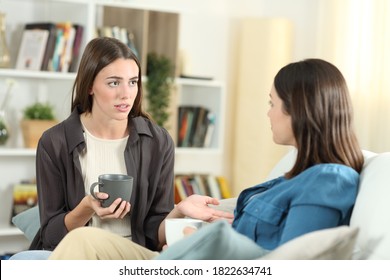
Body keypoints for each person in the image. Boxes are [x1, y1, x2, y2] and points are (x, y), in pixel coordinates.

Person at [47, 58, 364, 259]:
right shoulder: (294, 176)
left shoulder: (328, 181)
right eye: (114, 83)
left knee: (84, 242)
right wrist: (191, 230)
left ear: (299, 111)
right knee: (86, 239)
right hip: (185, 257)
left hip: (198, 262)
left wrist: (200, 244)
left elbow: (285, 262)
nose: (268, 113)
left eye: (272, 103)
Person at [10, 37, 232, 262]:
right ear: (89, 86)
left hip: (131, 255)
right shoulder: (55, 142)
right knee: (22, 261)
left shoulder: (157, 141)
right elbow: (50, 234)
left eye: (133, 82)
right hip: (77, 254)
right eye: (114, 83)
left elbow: (155, 232)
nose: (126, 94)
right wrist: (87, 207)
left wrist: (180, 210)